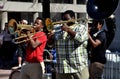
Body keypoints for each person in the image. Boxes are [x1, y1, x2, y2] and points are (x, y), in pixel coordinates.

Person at [47, 10, 89, 79]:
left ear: (73, 18)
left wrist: (68, 30)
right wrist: (50, 38)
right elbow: (50, 45)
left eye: (66, 19)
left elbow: (80, 38)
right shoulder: (57, 29)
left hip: (78, 67)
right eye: (63, 19)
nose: (64, 21)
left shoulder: (81, 27)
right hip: (62, 68)